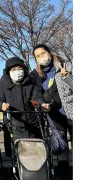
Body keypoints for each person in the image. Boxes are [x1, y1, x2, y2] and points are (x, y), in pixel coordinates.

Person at [31, 44, 73, 172]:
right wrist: (42, 103)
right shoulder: (36, 75)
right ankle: (64, 174)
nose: (41, 57)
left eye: (43, 53)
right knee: (61, 148)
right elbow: (36, 94)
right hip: (54, 114)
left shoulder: (65, 65)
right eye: (37, 56)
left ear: (49, 52)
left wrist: (66, 77)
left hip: (71, 110)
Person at [0, 57, 50, 140]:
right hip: (13, 123)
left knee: (37, 149)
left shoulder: (31, 81)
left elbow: (36, 97)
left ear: (24, 69)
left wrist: (42, 104)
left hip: (33, 122)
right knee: (16, 150)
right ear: (8, 71)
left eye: (19, 68)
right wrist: (1, 105)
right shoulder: (3, 83)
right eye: (13, 69)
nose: (17, 72)